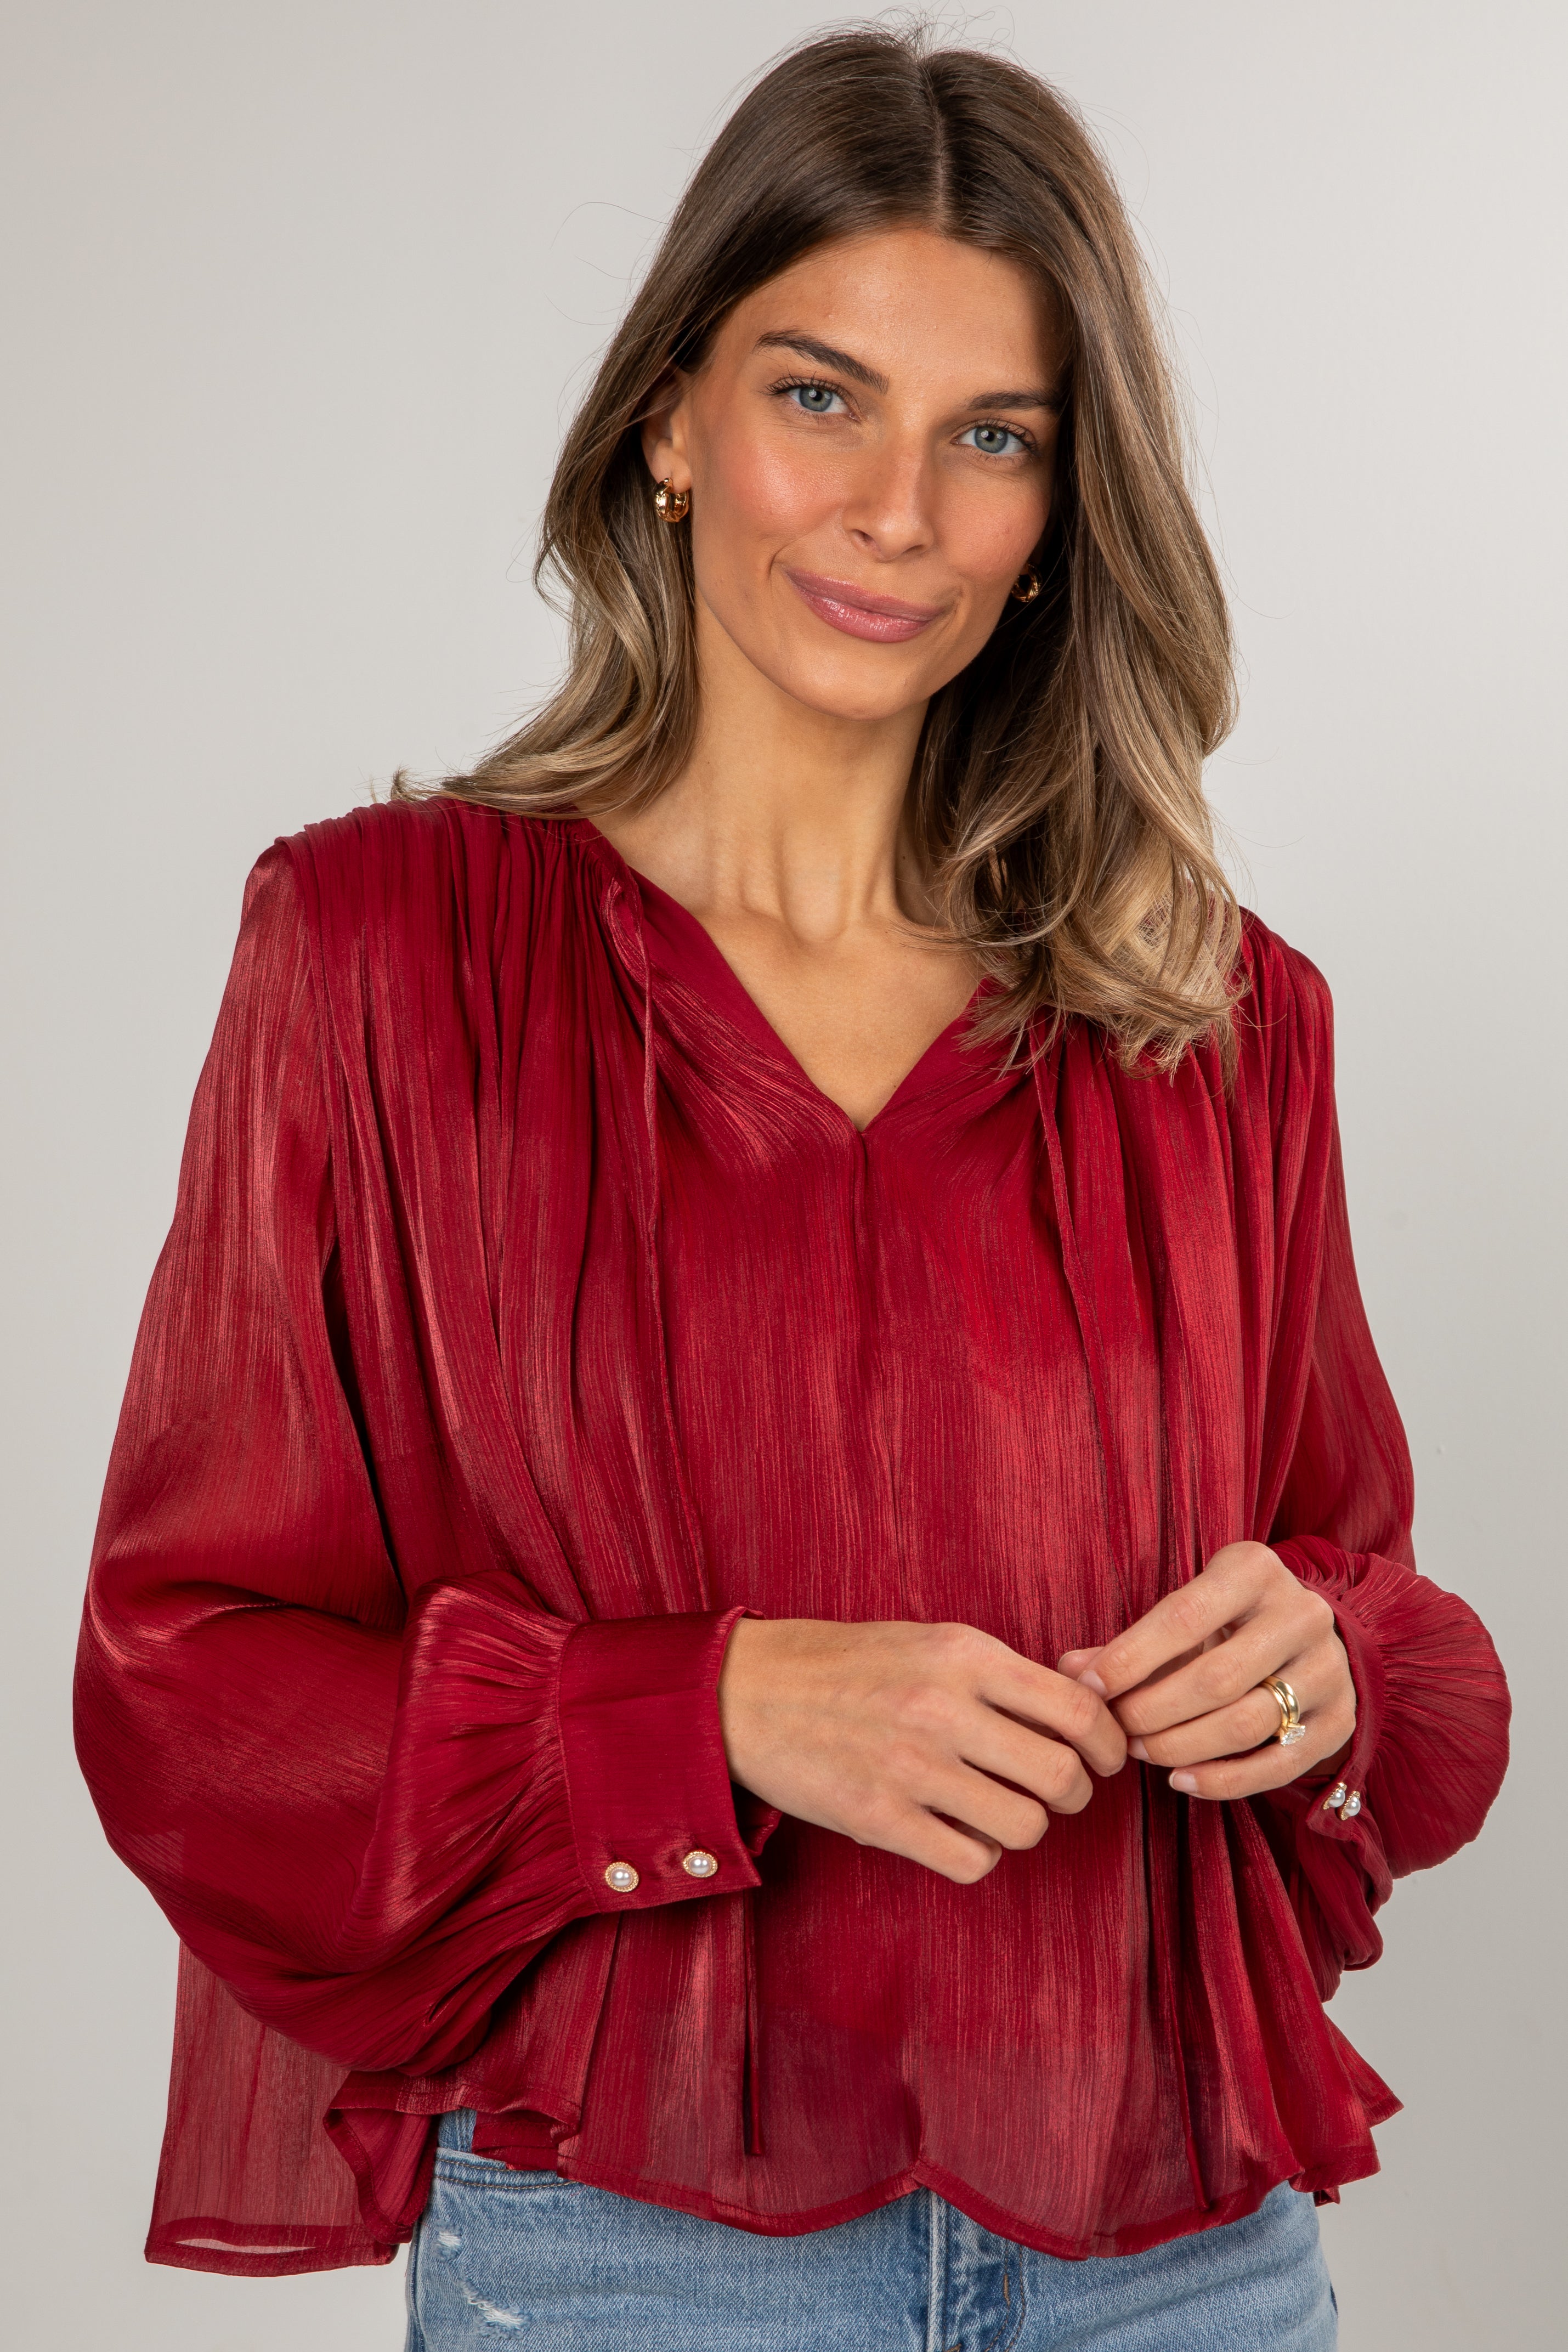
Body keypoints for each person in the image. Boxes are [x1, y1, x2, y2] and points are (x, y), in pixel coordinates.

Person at [75, 27, 1510, 2350]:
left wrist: (1320, 1667)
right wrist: (710, 1709)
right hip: (633, 2254)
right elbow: (186, 1685)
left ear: (1058, 513)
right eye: (818, 395)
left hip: (1181, 2265)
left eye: (993, 438)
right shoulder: (378, 952)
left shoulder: (1218, 1022)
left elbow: (1406, 1665)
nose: (898, 514)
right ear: (667, 417)